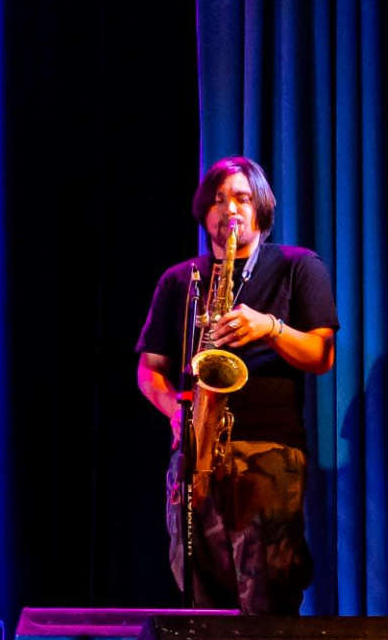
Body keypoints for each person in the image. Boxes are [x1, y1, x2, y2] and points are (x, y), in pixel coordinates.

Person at [133, 157, 337, 614]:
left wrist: (270, 328)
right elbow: (150, 371)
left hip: (268, 453)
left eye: (243, 198)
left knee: (267, 596)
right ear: (204, 211)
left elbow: (322, 356)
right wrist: (177, 412)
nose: (231, 210)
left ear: (261, 207)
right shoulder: (181, 280)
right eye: (220, 200)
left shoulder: (298, 267)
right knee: (200, 594)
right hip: (195, 456)